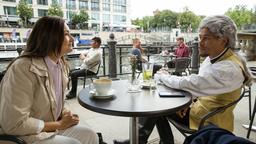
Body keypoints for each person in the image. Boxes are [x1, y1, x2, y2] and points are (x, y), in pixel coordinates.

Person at [114, 15, 252, 144]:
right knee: (160, 105)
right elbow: (202, 85)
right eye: (200, 37)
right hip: (203, 109)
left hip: (208, 120)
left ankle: (139, 140)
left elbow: (188, 83)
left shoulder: (227, 69)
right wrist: (188, 101)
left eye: (206, 38)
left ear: (224, 40)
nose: (200, 43)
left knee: (157, 105)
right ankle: (147, 140)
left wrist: (163, 76)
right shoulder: (218, 58)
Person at [0, 16, 99, 144]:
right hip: (24, 135)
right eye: (66, 34)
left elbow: (54, 102)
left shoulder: (60, 65)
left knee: (90, 135)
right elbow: (14, 124)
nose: (73, 39)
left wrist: (65, 113)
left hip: (47, 128)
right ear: (49, 37)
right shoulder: (23, 68)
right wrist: (59, 124)